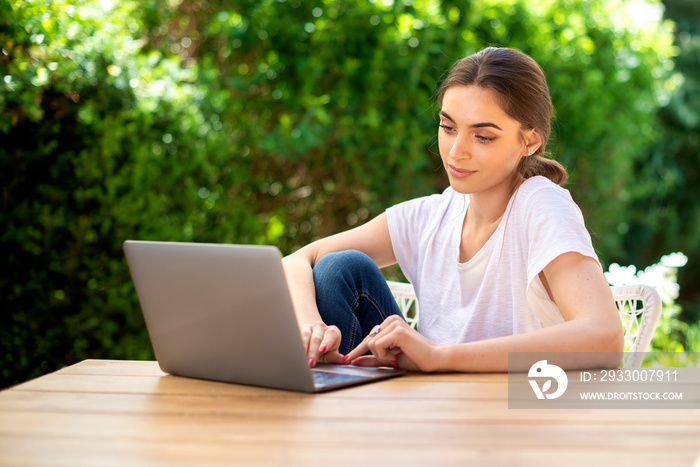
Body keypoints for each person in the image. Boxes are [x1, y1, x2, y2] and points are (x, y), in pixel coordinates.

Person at [281, 47, 624, 373]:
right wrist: (312, 325)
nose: (456, 151)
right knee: (339, 268)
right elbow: (296, 261)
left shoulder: (540, 203)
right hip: (431, 403)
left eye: (483, 136)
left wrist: (439, 357)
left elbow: (605, 338)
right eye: (448, 127)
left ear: (530, 142)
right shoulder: (433, 215)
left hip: (512, 411)